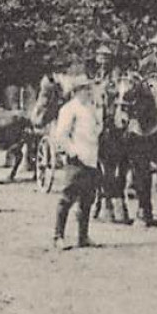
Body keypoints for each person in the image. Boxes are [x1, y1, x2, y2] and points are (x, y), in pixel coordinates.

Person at [51, 77, 103, 249]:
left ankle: (83, 236)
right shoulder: (69, 109)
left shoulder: (91, 108)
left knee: (87, 199)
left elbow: (96, 130)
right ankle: (58, 236)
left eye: (89, 88)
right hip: (77, 160)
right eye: (83, 89)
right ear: (75, 91)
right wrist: (73, 152)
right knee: (68, 198)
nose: (88, 92)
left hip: (91, 159)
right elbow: (61, 135)